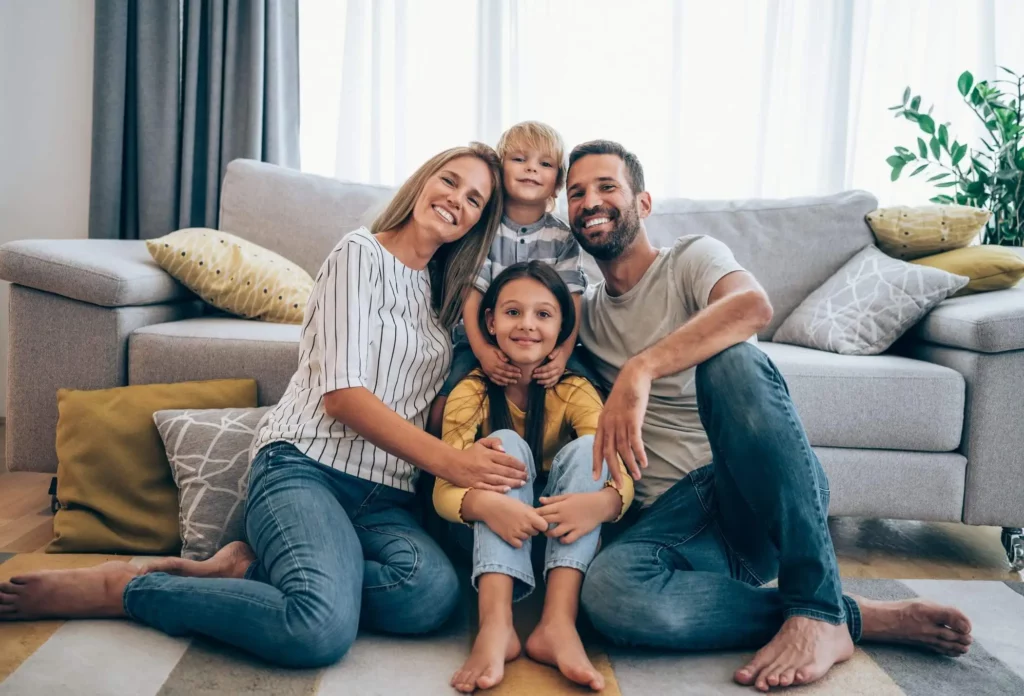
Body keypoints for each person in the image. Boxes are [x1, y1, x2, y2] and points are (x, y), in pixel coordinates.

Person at [0, 143, 533, 669]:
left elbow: (416, 402)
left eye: (475, 200)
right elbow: (343, 397)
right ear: (422, 181)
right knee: (317, 630)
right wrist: (452, 463)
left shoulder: (438, 296)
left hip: (386, 497)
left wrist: (495, 401)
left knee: (430, 596)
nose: (457, 200)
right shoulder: (359, 254)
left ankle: (249, 571)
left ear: (477, 224)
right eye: (450, 181)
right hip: (306, 468)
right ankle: (133, 590)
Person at [564, 140, 974, 692]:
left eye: (605, 186)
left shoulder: (690, 258)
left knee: (731, 361)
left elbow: (752, 307)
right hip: (670, 529)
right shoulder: (583, 312)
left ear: (643, 200)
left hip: (744, 494)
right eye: (576, 193)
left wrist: (642, 367)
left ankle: (815, 603)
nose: (590, 201)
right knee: (608, 597)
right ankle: (841, 614)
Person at [435, 261, 633, 693]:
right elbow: (442, 488)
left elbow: (619, 475)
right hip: (486, 524)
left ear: (563, 327)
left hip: (561, 529)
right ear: (490, 321)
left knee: (589, 449)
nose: (527, 325)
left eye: (543, 314)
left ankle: (557, 624)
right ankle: (496, 624)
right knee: (502, 442)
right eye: (512, 312)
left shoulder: (575, 390)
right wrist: (484, 503)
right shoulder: (470, 390)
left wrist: (602, 503)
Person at [428, 121, 595, 435]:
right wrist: (482, 350)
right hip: (480, 337)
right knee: (442, 405)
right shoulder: (484, 229)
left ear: (557, 183)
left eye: (544, 164)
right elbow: (472, 292)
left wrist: (564, 353)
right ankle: (432, 471)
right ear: (499, 171)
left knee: (594, 389)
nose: (531, 169)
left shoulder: (562, 238)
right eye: (519, 160)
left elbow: (572, 299)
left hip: (545, 341)